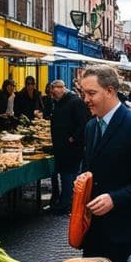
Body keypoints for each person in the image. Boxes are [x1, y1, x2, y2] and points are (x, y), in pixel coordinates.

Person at [80, 65, 131, 262]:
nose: (86, 100)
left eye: (91, 93)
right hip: (94, 230)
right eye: (84, 93)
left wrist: (114, 199)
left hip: (126, 231)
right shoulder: (91, 126)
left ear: (110, 91)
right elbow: (92, 168)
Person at [48, 80, 90, 215]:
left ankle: (66, 204)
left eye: (55, 93)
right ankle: (64, 202)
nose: (53, 96)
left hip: (71, 147)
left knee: (68, 176)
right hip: (61, 146)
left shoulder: (75, 102)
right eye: (52, 94)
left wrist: (73, 138)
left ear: (61, 88)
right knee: (65, 174)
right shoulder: (59, 102)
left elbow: (83, 122)